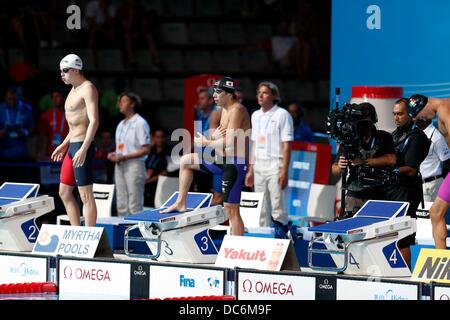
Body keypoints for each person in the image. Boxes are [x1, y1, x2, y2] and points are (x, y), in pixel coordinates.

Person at [161, 77, 251, 237]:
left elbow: (229, 143)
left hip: (235, 163)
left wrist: (207, 141)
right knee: (186, 161)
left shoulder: (237, 110)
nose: (214, 96)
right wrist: (214, 137)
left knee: (231, 209)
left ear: (229, 94)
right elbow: (220, 140)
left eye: (217, 92)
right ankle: (181, 202)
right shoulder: (223, 110)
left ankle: (238, 248)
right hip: (222, 160)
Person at [51, 54, 99, 227]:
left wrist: (84, 148)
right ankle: (75, 232)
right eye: (60, 71)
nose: (62, 74)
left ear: (76, 69)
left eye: (65, 71)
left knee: (86, 195)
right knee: (64, 192)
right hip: (72, 146)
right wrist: (63, 145)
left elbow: (94, 121)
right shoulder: (72, 90)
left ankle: (89, 236)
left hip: (82, 146)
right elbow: (74, 126)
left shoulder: (88, 88)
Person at [331, 103, 397, 217]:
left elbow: (391, 159)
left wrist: (364, 162)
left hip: (378, 192)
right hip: (354, 193)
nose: (363, 125)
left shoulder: (384, 137)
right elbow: (334, 169)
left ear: (373, 120)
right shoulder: (349, 139)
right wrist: (341, 166)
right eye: (360, 121)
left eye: (366, 121)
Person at [385, 98, 430, 266]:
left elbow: (411, 168)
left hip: (407, 192)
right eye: (394, 114)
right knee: (387, 236)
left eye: (400, 114)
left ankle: (403, 276)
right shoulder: (394, 135)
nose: (396, 118)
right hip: (391, 190)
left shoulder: (418, 138)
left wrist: (386, 168)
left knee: (402, 237)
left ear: (409, 114)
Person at [244, 81, 293, 229]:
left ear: (274, 96)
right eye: (259, 92)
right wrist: (250, 170)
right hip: (259, 163)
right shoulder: (255, 115)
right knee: (261, 204)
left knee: (278, 203)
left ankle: (281, 234)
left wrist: (284, 170)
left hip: (275, 163)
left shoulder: (282, 114)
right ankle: (263, 236)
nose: (260, 95)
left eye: (264, 92)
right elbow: (254, 144)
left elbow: (287, 144)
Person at [408, 94, 450, 249]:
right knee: (436, 212)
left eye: (417, 116)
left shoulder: (445, 107)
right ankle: (442, 260)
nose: (418, 120)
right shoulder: (441, 111)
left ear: (423, 107)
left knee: (436, 212)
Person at [107, 92, 150, 215]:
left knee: (134, 202)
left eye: (124, 101)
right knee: (121, 202)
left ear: (132, 104)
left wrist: (124, 156)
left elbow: (146, 149)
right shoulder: (120, 124)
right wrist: (114, 154)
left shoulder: (140, 123)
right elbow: (121, 148)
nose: (120, 103)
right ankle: (122, 232)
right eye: (120, 101)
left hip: (134, 165)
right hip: (120, 165)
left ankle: (135, 232)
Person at [195, 87, 223, 205]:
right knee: (202, 196)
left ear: (211, 100)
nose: (199, 101)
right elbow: (198, 136)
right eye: (199, 98)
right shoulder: (200, 114)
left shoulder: (217, 112)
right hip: (203, 159)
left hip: (216, 160)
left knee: (217, 199)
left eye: (202, 99)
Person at [416, 118, 450, 202]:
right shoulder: (415, 133)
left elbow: (447, 162)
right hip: (420, 184)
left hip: (433, 185)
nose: (415, 118)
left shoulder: (436, 136)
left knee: (433, 214)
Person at [36, 90, 69, 160]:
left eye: (57, 96)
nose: (54, 99)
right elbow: (41, 136)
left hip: (67, 155)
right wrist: (39, 152)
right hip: (49, 155)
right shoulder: (46, 116)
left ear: (64, 98)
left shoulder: (71, 115)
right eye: (53, 97)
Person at [144, 128, 168, 207]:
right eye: (157, 137)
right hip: (145, 186)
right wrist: (150, 145)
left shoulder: (168, 151)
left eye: (162, 137)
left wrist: (148, 181)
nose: (160, 139)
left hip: (159, 186)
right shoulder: (150, 151)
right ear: (153, 138)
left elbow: (165, 173)